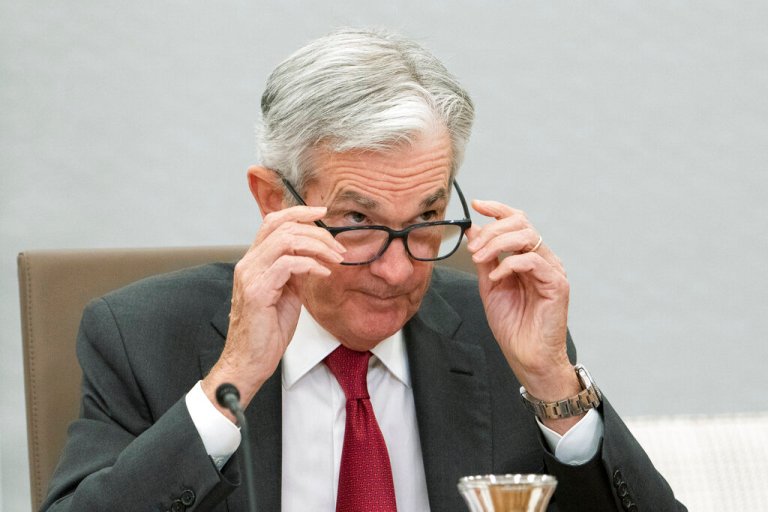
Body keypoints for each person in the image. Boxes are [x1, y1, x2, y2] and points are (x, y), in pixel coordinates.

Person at [42, 29, 684, 512]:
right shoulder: (142, 337)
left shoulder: (502, 343)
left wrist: (554, 386)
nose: (400, 270)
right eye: (357, 222)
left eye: (427, 216)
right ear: (273, 200)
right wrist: (231, 380)